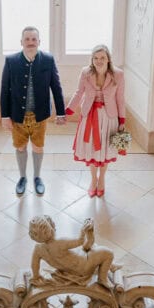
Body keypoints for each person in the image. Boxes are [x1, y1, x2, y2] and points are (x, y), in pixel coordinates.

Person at [0, 26, 66, 196]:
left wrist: (61, 112)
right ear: (21, 42)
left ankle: (37, 177)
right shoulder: (11, 61)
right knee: (20, 147)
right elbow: (4, 89)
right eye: (27, 39)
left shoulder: (48, 60)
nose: (30, 42)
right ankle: (22, 177)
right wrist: (5, 116)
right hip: (17, 116)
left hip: (40, 116)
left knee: (38, 147)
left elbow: (56, 87)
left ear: (39, 42)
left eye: (33, 39)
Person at [66, 44, 125, 198]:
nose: (99, 61)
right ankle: (93, 180)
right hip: (89, 116)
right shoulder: (85, 72)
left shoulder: (118, 74)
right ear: (92, 59)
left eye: (102, 58)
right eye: (96, 58)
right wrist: (68, 111)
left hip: (109, 117)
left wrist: (122, 120)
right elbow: (79, 93)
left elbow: (120, 99)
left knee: (105, 150)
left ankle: (102, 180)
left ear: (108, 59)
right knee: (91, 148)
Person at [28, 215, 117, 288]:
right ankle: (102, 278)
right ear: (50, 229)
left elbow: (34, 265)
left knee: (91, 247)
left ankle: (109, 266)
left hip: (72, 269)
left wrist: (36, 276)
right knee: (108, 253)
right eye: (50, 227)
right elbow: (79, 241)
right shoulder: (60, 242)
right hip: (84, 266)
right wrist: (83, 231)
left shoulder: (38, 249)